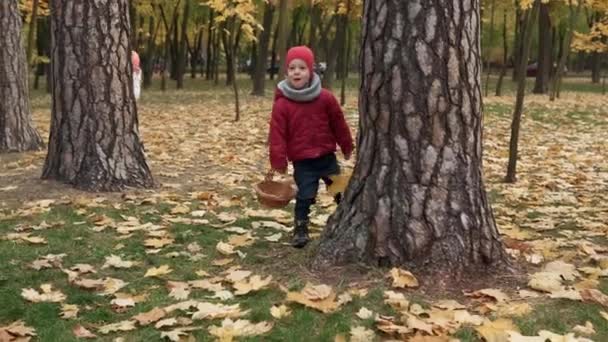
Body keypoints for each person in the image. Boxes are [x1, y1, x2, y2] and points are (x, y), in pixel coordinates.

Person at [268, 46, 354, 248]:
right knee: (305, 196)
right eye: (292, 68)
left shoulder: (325, 98)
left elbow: (338, 123)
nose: (296, 72)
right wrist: (278, 160)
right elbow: (277, 134)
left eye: (302, 67)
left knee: (339, 189)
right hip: (303, 162)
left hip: (326, 156)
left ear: (311, 71)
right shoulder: (283, 104)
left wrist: (346, 144)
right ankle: (300, 229)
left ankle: (347, 218)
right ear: (286, 72)